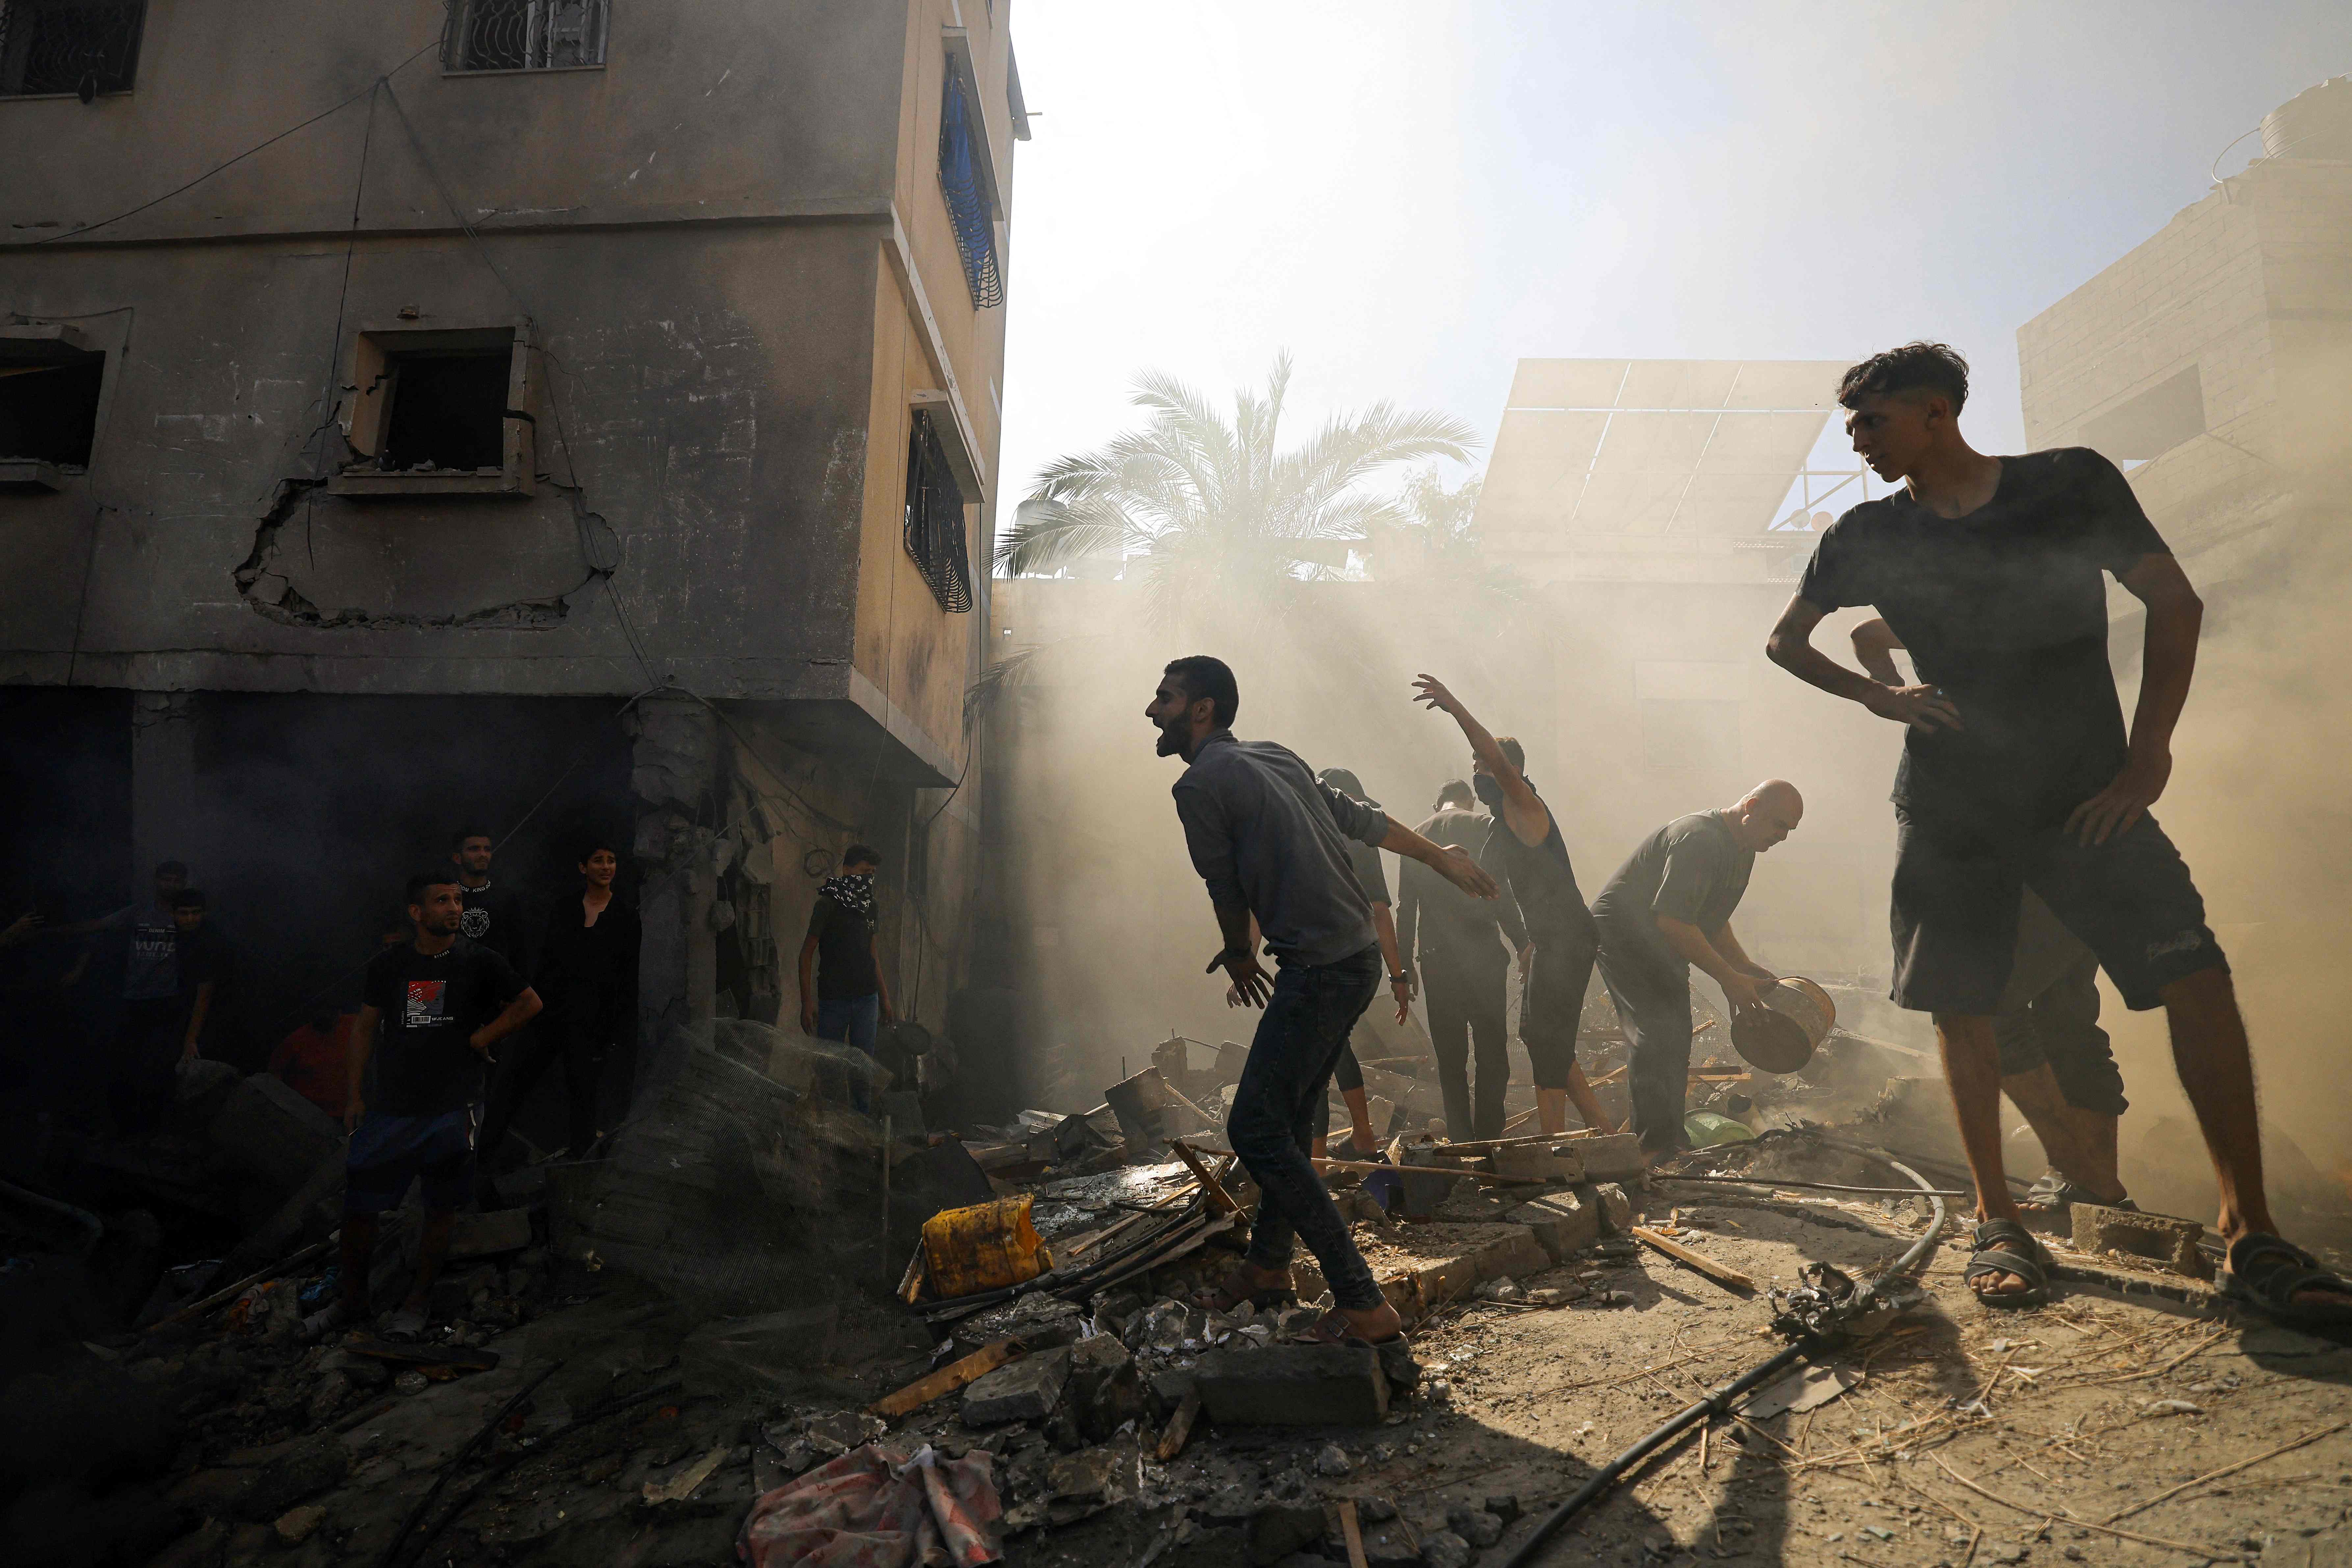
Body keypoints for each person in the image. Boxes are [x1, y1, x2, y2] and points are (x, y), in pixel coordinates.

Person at [1764, 340, 2350, 1320]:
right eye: (1851, 426)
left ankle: (2254, 1234)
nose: (1857, 441)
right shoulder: (1865, 535)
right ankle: (2000, 1222)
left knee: (2194, 971)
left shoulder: (2069, 484)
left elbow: (2174, 598)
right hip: (1952, 805)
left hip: (2089, 795)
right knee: (1964, 1003)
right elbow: (1788, 641)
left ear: (1935, 414)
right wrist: (1879, 697)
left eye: (1872, 421)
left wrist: (2149, 756)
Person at [1149, 655, 1499, 1355]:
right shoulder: (1275, 755)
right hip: (1358, 961)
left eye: (1165, 698)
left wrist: (1242, 954)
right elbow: (1362, 821)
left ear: (1202, 711)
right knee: (1283, 1120)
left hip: (1318, 969)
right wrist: (1438, 858)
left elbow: (1225, 887)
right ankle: (1269, 1267)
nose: (1152, 710)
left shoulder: (1198, 785)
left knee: (1253, 1128)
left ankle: (1363, 1304)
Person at [1851, 616, 2131, 1219]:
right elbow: (1867, 635)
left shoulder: (2054, 633)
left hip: (2056, 846)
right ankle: (2091, 1185)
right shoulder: (1960, 613)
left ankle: (2087, 1179)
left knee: (2017, 1008)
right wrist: (1892, 692)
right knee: (2048, 1014)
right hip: (2006, 840)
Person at [1411, 676, 1613, 1136]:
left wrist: (1455, 709)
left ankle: (1553, 1146)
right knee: (1538, 1036)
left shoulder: (1524, 802)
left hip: (1568, 937)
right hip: (1547, 942)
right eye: (1474, 765)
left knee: (1548, 1041)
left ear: (1508, 772)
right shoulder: (1501, 827)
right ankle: (1601, 1131)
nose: (1479, 772)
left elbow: (1498, 760)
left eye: (1484, 765)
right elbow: (1499, 889)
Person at [341, 873, 540, 1336]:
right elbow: (364, 1029)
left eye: (457, 900)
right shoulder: (389, 965)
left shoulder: (480, 962)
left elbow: (529, 1003)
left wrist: (483, 1037)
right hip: (393, 1106)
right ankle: (351, 1303)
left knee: (441, 1207)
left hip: (455, 1107)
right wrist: (353, 1094)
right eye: (443, 901)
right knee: (359, 1206)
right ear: (416, 913)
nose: (454, 908)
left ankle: (418, 1302)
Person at [1591, 783, 1804, 1159]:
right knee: (1654, 1033)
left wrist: (1743, 968)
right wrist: (1728, 978)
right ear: (1751, 807)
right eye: (1779, 825)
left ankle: (1671, 1141)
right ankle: (1652, 1149)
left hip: (1661, 939)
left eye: (1789, 830)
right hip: (1625, 937)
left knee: (1677, 1034)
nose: (1782, 837)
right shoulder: (1700, 840)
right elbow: (1673, 922)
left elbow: (1714, 921)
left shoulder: (1745, 849)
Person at [479, 840, 641, 1175]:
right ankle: (482, 1156)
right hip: (551, 1012)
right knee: (512, 1082)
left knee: (584, 1095)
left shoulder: (626, 916)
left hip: (592, 1021)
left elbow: (627, 979)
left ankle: (582, 1169)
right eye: (598, 860)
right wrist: (530, 1008)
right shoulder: (565, 908)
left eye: (612, 861)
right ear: (584, 868)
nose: (606, 867)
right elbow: (548, 962)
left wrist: (617, 1031)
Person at [1398, 779, 1530, 1142]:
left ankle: (1461, 1139)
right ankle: (1489, 1138)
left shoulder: (1413, 838)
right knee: (1492, 1053)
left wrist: (1403, 966)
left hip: (1437, 964)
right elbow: (1499, 895)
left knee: (1451, 1059)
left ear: (1436, 803)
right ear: (1470, 801)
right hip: (1484, 959)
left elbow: (1406, 909)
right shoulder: (1484, 826)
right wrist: (1522, 943)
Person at [1312, 768, 1414, 1159]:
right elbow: (1381, 913)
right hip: (1359, 963)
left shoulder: (1310, 836)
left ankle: (1320, 1160)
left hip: (1320, 960)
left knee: (1318, 1055)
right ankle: (1361, 1137)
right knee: (1336, 1048)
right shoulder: (1361, 842)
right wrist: (1397, 976)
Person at [99, 862, 195, 1137]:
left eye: (178, 880)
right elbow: (99, 927)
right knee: (126, 1064)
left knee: (162, 1066)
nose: (172, 885)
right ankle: (122, 1127)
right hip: (135, 999)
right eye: (167, 879)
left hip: (169, 1002)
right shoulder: (139, 913)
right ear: (156, 881)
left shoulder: (187, 918)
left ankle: (154, 1128)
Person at [798, 845, 896, 1061]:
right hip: (834, 1000)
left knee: (863, 1070)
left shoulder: (871, 906)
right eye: (864, 872)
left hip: (867, 999)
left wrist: (885, 998)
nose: (869, 878)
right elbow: (806, 954)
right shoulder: (827, 905)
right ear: (847, 871)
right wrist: (806, 1003)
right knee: (830, 1068)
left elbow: (873, 955)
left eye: (872, 874)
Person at [449, 827, 531, 977]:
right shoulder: (445, 898)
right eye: (474, 849)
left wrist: (518, 993)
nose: (482, 855)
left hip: (497, 988)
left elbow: (519, 952)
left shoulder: (506, 898)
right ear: (457, 858)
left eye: (487, 849)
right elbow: (428, 949)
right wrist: (427, 999)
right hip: (453, 985)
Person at [272, 1000, 356, 1121]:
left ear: (339, 1014)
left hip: (349, 1109)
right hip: (308, 1112)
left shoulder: (354, 1025)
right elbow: (275, 1072)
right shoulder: (296, 1041)